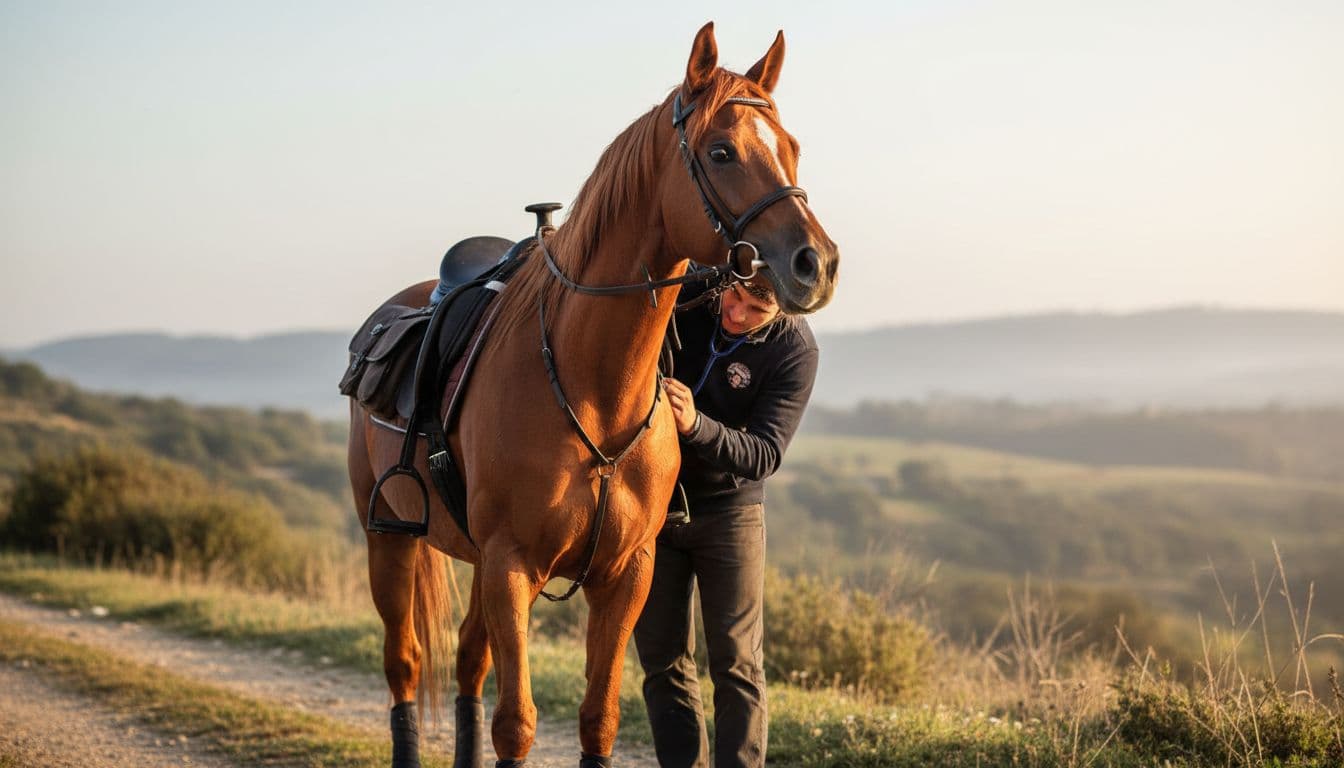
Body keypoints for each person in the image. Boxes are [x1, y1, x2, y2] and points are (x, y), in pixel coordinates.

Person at [633, 275, 819, 768]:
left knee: (736, 663)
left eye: (755, 310)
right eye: (734, 298)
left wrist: (696, 425)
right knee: (662, 659)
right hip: (657, 504)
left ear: (785, 311)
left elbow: (763, 453)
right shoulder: (697, 298)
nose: (735, 314)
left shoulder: (795, 350)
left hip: (731, 515)